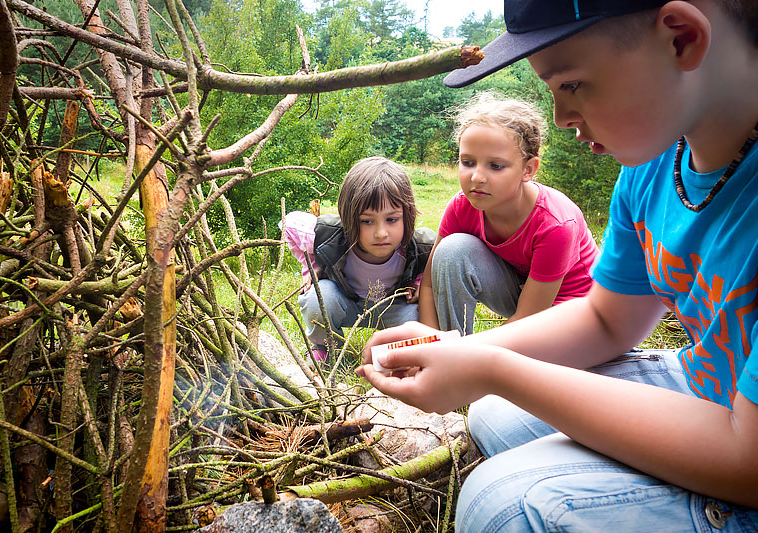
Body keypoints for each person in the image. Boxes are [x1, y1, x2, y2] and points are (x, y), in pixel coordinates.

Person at [356, 0, 758, 531]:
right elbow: (607, 320)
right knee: (492, 413)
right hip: (709, 382)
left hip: (743, 442)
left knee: (497, 508)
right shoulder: (657, 163)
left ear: (681, 38)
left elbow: (748, 460)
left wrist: (492, 368)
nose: (562, 118)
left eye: (570, 84)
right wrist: (459, 351)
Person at [419, 93, 599, 334]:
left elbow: (528, 320)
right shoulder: (463, 206)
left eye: (495, 166)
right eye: (468, 162)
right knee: (452, 249)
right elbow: (429, 286)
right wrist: (429, 342)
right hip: (525, 296)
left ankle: (460, 360)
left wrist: (464, 356)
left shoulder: (555, 224)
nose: (477, 177)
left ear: (528, 169)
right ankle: (450, 348)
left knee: (528, 365)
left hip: (575, 313)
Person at [284, 156, 435, 362]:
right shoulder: (331, 235)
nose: (381, 233)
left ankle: (395, 356)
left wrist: (419, 282)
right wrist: (312, 266)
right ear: (348, 218)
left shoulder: (421, 246)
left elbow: (438, 263)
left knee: (420, 316)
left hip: (394, 307)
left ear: (407, 216)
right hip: (346, 303)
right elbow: (289, 224)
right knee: (317, 299)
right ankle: (327, 350)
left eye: (391, 219)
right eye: (367, 221)